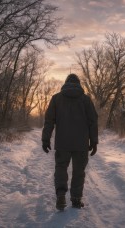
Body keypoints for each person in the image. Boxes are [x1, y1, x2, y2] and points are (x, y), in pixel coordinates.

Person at [41, 73, 98, 211]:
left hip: (62, 143)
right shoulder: (85, 100)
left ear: (65, 83)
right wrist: (94, 141)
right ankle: (76, 200)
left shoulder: (56, 99)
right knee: (79, 171)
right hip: (81, 144)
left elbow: (49, 121)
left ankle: (61, 196)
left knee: (61, 168)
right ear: (79, 84)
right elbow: (93, 122)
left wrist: (46, 139)